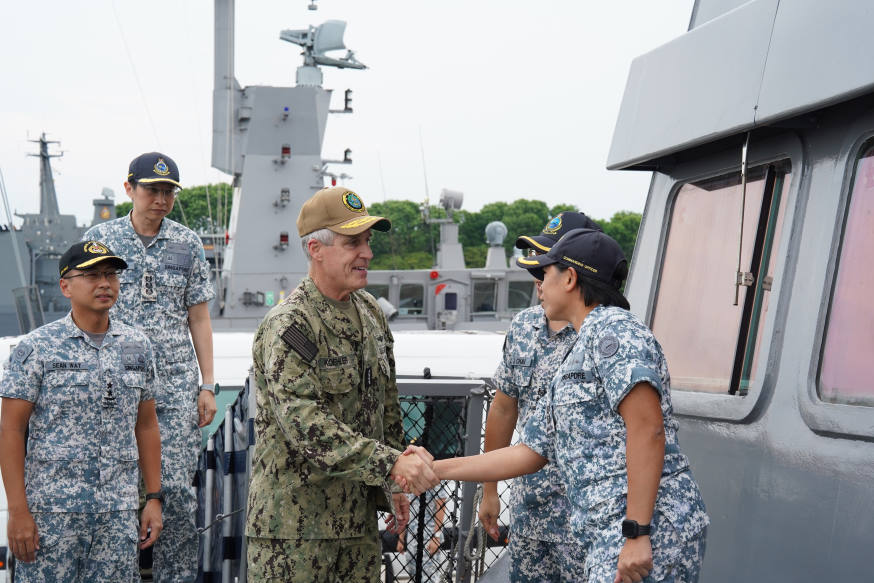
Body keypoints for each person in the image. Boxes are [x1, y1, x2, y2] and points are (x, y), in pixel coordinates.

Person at [406, 228, 710, 583]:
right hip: (607, 534)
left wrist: (638, 531)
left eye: (546, 273)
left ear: (569, 278)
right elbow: (529, 452)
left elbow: (648, 428)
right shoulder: (577, 353)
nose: (539, 283)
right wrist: (437, 469)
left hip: (645, 532)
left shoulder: (616, 332)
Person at [246, 186, 440, 583]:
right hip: (294, 534)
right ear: (316, 249)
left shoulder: (369, 312)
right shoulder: (291, 325)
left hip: (357, 527)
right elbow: (307, 426)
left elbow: (386, 404)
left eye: (367, 242)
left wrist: (394, 482)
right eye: (354, 243)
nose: (367, 253)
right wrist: (391, 463)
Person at [84, 152, 216, 582]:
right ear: (129, 189)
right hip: (114, 384)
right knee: (116, 491)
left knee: (176, 493)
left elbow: (198, 315)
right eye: (151, 190)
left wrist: (207, 384)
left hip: (175, 388)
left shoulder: (188, 243)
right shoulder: (101, 239)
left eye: (168, 192)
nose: (161, 199)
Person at [0, 241, 163, 582]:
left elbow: (146, 426)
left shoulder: (138, 345)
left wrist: (153, 498)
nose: (104, 283)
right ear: (65, 286)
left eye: (110, 275)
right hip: (51, 518)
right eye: (91, 275)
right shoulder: (36, 347)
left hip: (116, 518)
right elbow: (10, 430)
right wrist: (17, 511)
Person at [480, 212, 601, 582]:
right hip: (531, 515)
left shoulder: (604, 335)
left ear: (572, 273)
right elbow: (503, 409)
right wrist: (490, 491)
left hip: (586, 522)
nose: (538, 276)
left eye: (546, 265)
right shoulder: (524, 326)